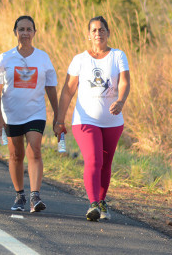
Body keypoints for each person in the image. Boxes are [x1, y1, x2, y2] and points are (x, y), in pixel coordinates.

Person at [53, 16, 130, 222]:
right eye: (94, 30)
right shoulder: (80, 59)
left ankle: (102, 200)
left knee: (106, 163)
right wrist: (59, 120)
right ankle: (93, 203)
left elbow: (124, 82)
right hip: (85, 120)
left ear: (108, 32)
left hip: (113, 121)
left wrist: (121, 101)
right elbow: (68, 91)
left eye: (102, 29)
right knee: (94, 160)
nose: (98, 33)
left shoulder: (118, 55)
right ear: (88, 35)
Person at [0, 15, 58, 213]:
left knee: (35, 149)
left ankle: (35, 196)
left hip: (35, 112)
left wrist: (57, 115)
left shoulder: (43, 58)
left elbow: (51, 88)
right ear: (15, 33)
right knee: (15, 154)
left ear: (35, 33)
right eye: (21, 29)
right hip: (11, 113)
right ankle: (20, 194)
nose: (25, 33)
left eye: (29, 29)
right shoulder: (5, 58)